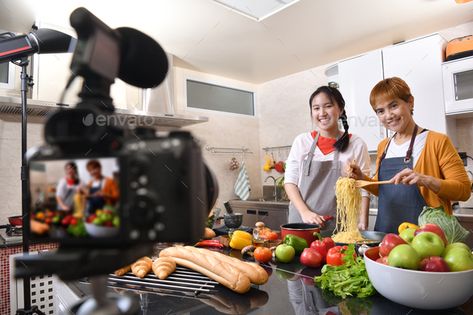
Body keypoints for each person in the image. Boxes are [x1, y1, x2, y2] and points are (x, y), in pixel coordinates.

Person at [348, 77, 471, 233]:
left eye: (393, 105)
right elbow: (385, 190)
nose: (388, 115)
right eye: (381, 111)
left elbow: (464, 190)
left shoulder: (437, 141)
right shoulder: (383, 146)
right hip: (388, 237)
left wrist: (425, 180)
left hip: (428, 238)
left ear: (410, 102)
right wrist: (361, 178)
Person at [284, 86, 371, 235]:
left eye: (328, 106)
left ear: (341, 109)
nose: (322, 113)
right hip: (301, 222)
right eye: (316, 108)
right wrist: (305, 213)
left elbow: (364, 186)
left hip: (339, 225)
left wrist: (363, 221)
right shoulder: (302, 141)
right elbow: (290, 182)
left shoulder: (356, 144)